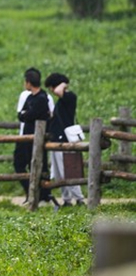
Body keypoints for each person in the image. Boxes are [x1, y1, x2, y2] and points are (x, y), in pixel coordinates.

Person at [14, 67, 57, 208]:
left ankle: (43, 196)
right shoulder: (29, 97)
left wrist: (27, 114)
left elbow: (35, 115)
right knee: (20, 164)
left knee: (40, 165)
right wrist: (27, 114)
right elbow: (21, 115)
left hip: (36, 138)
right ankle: (31, 193)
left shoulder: (43, 98)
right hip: (25, 137)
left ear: (29, 82)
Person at [45, 73, 85, 207]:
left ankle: (79, 198)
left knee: (69, 171)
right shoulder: (62, 101)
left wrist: (64, 83)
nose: (52, 90)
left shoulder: (70, 97)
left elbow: (57, 90)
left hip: (65, 140)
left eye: (52, 86)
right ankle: (67, 199)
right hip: (57, 140)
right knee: (60, 173)